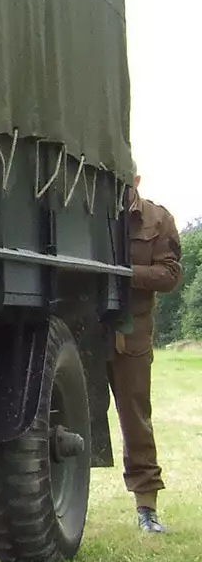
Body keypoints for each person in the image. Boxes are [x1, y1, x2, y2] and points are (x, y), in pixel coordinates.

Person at [109, 169, 182, 533]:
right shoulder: (85, 211)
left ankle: (146, 508)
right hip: (83, 325)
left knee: (136, 417)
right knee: (59, 414)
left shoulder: (157, 218)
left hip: (133, 329)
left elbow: (170, 275)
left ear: (135, 180)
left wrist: (124, 273)